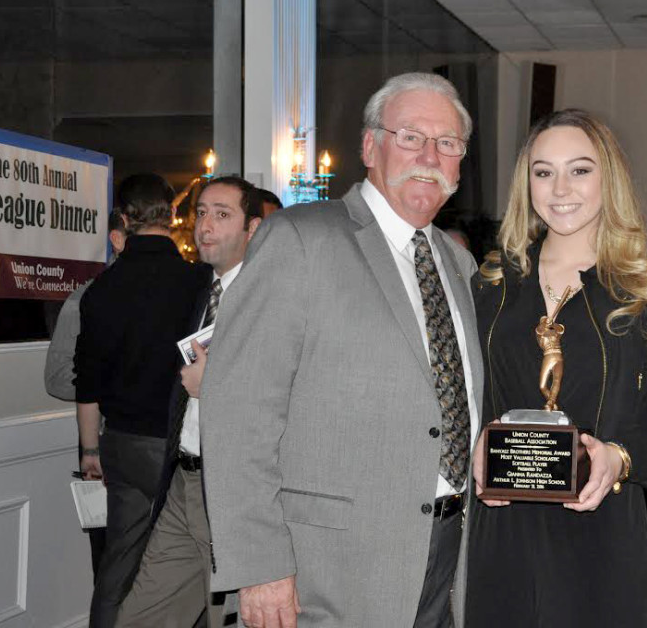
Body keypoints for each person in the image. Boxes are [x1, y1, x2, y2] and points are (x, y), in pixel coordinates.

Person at [200, 72, 483, 628]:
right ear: (369, 145)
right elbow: (237, 410)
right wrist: (260, 565)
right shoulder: (301, 240)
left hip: (447, 554)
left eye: (447, 143)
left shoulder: (458, 266)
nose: (429, 155)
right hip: (325, 571)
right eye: (410, 137)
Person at [465, 108, 647, 627]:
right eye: (543, 172)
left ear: (608, 179)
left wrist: (619, 458)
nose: (560, 188)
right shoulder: (490, 287)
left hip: (602, 536)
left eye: (580, 169)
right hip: (500, 536)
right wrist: (472, 444)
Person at [115, 177, 262, 627]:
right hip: (184, 482)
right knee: (141, 617)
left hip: (234, 493)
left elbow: (283, 398)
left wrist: (211, 386)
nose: (205, 226)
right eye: (201, 213)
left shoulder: (268, 300)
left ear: (252, 229)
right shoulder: (202, 291)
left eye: (222, 215)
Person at [75, 173, 210, 628]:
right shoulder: (198, 282)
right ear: (173, 215)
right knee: (190, 565)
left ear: (125, 218)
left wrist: (90, 450)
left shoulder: (101, 290)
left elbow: (87, 381)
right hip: (172, 446)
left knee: (119, 563)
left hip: (120, 444)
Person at [44, 207, 126, 578]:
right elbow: (58, 377)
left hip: (154, 449)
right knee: (108, 565)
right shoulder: (85, 299)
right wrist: (118, 383)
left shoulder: (171, 297)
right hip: (103, 446)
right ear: (117, 240)